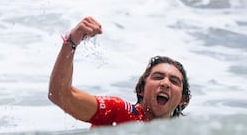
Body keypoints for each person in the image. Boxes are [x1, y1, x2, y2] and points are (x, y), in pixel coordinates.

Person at [48, 17, 191, 127]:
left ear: (182, 99)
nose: (165, 83)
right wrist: (71, 42)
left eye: (174, 81)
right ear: (141, 89)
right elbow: (60, 95)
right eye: (158, 77)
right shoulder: (120, 112)